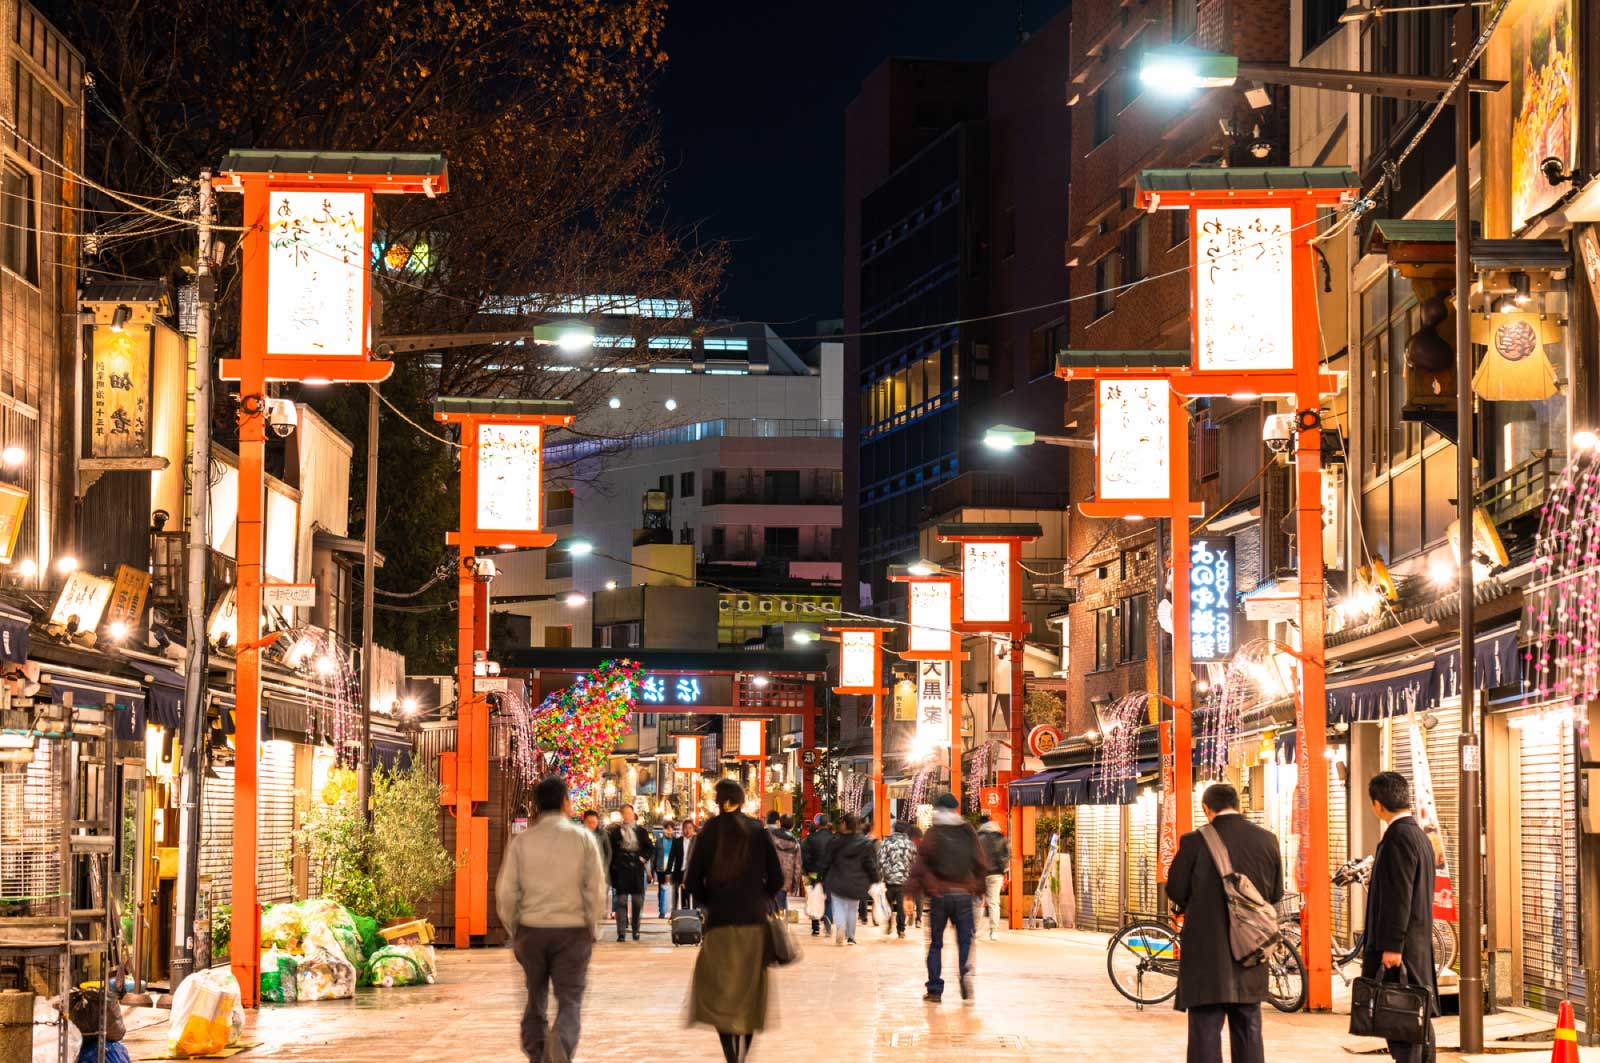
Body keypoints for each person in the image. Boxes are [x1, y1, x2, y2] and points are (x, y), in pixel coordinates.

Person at [1166, 782, 1284, 1063]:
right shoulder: (1267, 840)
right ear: (1239, 805)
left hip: (1207, 956)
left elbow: (1176, 890)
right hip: (1251, 950)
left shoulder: (1194, 842)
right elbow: (1276, 893)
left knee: (1205, 1030)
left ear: (1206, 809)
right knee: (1249, 1028)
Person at [495, 775, 606, 1063]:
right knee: (570, 1001)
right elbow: (595, 889)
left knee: (535, 997)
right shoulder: (582, 838)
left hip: (531, 931)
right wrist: (591, 926)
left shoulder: (523, 842)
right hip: (572, 931)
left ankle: (537, 1053)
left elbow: (507, 892)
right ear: (565, 802)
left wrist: (515, 928)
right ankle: (558, 1048)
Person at [685, 780, 783, 1063]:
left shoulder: (707, 833)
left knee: (721, 991)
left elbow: (692, 881)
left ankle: (730, 1054)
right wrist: (758, 897)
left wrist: (711, 902)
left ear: (717, 801)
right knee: (750, 994)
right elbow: (776, 878)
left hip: (719, 924)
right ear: (742, 800)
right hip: (753, 923)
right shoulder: (757, 831)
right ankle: (744, 1053)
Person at [1362, 771, 1438, 1063]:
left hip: (1401, 950)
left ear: (1378, 804)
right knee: (1416, 1019)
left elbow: (1398, 897)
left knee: (1401, 1020)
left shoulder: (1397, 837)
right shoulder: (1418, 835)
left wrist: (1392, 946)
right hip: (1415, 944)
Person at [908, 793, 988, 1002]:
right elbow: (980, 861)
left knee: (936, 944)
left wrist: (914, 890)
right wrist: (979, 889)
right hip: (963, 896)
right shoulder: (967, 831)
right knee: (965, 941)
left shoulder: (934, 833)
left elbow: (922, 863)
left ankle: (934, 989)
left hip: (940, 896)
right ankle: (964, 974)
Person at [820, 812, 878, 945]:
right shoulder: (865, 843)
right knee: (852, 908)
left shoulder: (835, 841)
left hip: (837, 880)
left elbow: (826, 861)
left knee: (838, 906)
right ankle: (851, 937)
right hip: (856, 882)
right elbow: (870, 864)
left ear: (845, 824)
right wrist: (875, 880)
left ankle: (840, 927)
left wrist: (819, 877)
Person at [607, 804, 655, 941]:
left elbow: (649, 848)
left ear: (633, 814)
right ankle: (621, 932)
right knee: (621, 901)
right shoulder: (616, 832)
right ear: (622, 815)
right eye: (624, 813)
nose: (627, 816)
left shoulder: (641, 832)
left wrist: (643, 858)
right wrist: (613, 869)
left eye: (629, 813)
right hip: (622, 870)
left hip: (636, 870)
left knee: (637, 902)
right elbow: (612, 852)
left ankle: (636, 930)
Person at [876, 820, 917, 938]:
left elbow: (881, 860)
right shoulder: (910, 844)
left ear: (894, 829)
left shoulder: (886, 842)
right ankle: (901, 929)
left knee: (888, 904)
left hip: (889, 879)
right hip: (904, 879)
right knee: (901, 905)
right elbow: (914, 861)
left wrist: (881, 875)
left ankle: (889, 924)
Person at [976, 813, 1011, 940]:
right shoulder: (1001, 837)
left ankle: (974, 930)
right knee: (994, 902)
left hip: (981, 874)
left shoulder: (978, 837)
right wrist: (1003, 868)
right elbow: (1007, 855)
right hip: (997, 874)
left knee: (979, 902)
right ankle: (994, 931)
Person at [800, 813, 835, 937]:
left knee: (815, 897)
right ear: (828, 824)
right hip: (829, 873)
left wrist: (809, 871)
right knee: (829, 898)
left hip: (814, 873)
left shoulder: (811, 839)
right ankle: (827, 918)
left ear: (818, 823)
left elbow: (805, 857)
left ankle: (815, 928)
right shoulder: (834, 839)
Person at [767, 813, 803, 913]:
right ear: (792, 826)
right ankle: (781, 925)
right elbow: (798, 866)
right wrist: (795, 885)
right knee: (781, 904)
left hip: (771, 875)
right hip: (786, 879)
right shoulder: (795, 842)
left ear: (780, 823)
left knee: (771, 904)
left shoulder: (771, 837)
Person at [656, 823, 680, 918]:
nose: (669, 831)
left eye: (671, 829)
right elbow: (655, 855)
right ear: (664, 830)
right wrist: (654, 868)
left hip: (674, 869)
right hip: (661, 869)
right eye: (667, 829)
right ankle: (662, 911)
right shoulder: (659, 841)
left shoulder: (676, 841)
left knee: (674, 890)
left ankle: (673, 910)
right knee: (662, 890)